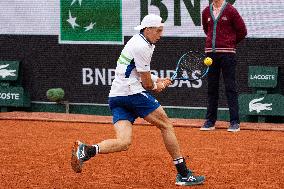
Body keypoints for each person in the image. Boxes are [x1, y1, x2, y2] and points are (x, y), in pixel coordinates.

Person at [71, 14, 205, 186]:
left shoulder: (138, 41)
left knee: (124, 142)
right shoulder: (143, 46)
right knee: (166, 125)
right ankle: (184, 174)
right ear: (147, 29)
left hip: (116, 96)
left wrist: (158, 79)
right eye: (158, 30)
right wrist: (158, 86)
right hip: (132, 94)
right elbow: (147, 84)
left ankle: (87, 151)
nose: (160, 34)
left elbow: (137, 72)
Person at [200, 0, 247, 132]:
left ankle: (234, 122)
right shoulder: (205, 12)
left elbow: (242, 31)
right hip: (210, 55)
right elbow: (206, 29)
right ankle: (210, 121)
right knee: (212, 88)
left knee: (230, 87)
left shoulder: (231, 10)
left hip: (227, 54)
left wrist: (229, 43)